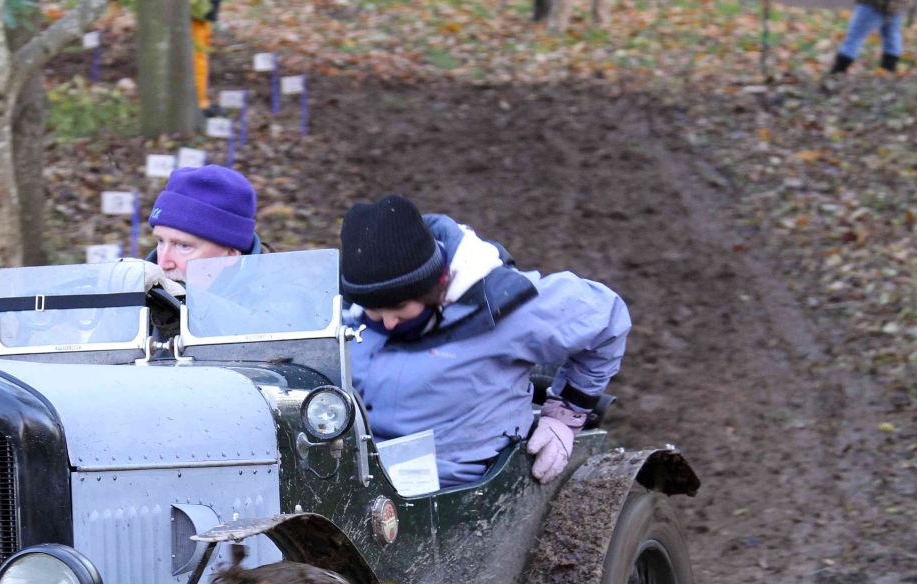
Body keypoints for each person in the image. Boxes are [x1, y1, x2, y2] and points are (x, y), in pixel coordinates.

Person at [338, 195, 630, 490]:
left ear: (433, 285)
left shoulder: (506, 309)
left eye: (400, 307)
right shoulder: (344, 313)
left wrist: (565, 416)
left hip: (458, 494)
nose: (387, 323)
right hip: (354, 482)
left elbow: (607, 317)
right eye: (374, 310)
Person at [145, 164, 268, 280]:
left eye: (184, 246)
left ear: (230, 254)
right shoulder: (139, 293)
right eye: (161, 241)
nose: (161, 264)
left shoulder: (273, 300)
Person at [824, 0, 904, 88]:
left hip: (874, 3)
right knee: (892, 37)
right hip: (898, 4)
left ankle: (833, 79)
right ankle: (886, 80)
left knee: (854, 37)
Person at [191, 0, 221, 113]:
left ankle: (201, 100)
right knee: (198, 59)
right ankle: (199, 102)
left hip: (202, 15)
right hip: (196, 15)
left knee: (201, 59)